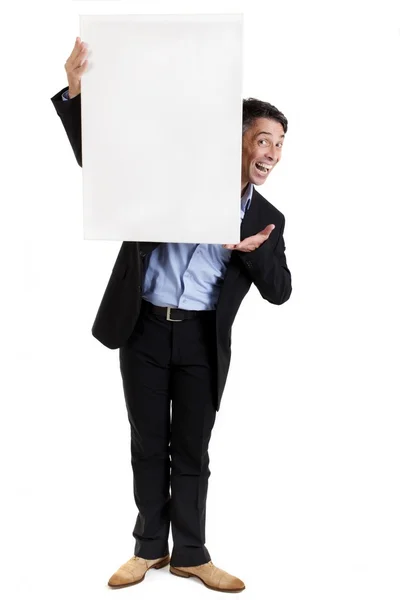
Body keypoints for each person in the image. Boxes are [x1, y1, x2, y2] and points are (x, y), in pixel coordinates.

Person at [50, 37, 292, 593]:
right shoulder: (169, 181)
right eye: (262, 139)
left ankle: (192, 554)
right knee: (146, 442)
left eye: (279, 145)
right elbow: (102, 162)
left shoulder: (268, 218)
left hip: (204, 341)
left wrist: (253, 254)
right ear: (234, 140)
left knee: (192, 449)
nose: (272, 153)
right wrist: (77, 92)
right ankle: (147, 549)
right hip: (145, 330)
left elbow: (280, 292)